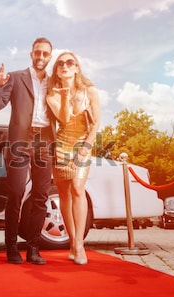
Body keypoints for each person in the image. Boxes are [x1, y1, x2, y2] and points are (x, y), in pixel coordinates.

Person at [0, 37, 56, 265]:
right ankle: (11, 247)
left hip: (45, 142)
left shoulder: (54, 82)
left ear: (50, 56)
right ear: (31, 54)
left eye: (45, 53)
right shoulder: (16, 77)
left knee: (40, 196)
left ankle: (34, 248)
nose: (41, 57)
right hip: (20, 141)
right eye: (38, 52)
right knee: (16, 193)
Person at [46, 52, 100, 265]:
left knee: (78, 187)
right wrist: (65, 95)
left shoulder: (90, 91)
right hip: (61, 145)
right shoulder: (52, 94)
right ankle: (72, 245)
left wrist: (87, 146)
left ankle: (79, 244)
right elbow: (65, 118)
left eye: (70, 63)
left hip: (82, 143)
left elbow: (96, 123)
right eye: (60, 64)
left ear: (77, 67)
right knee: (65, 195)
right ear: (57, 70)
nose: (65, 66)